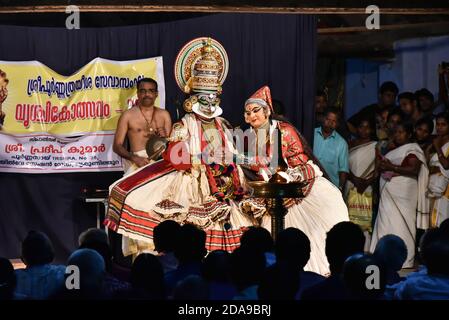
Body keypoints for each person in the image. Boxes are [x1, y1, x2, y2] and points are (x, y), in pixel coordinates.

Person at [104, 38, 253, 259]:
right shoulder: (183, 125)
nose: (210, 104)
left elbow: (230, 150)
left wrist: (241, 161)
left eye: (214, 99)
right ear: (193, 99)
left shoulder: (223, 124)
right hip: (192, 180)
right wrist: (199, 160)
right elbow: (175, 156)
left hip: (224, 182)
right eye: (205, 99)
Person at [238, 86, 349, 275]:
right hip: (272, 186)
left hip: (298, 181)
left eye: (256, 110)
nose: (252, 115)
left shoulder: (284, 130)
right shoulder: (248, 136)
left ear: (267, 111)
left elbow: (290, 161)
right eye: (248, 112)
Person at [370, 122, 429, 268]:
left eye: (401, 132)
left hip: (404, 193)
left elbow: (414, 170)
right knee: (386, 223)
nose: (398, 135)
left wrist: (390, 167)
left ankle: (405, 260)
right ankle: (382, 256)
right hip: (388, 194)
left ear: (409, 134)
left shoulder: (413, 148)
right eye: (396, 132)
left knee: (403, 224)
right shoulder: (391, 150)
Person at [113, 77, 172, 175]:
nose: (147, 94)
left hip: (160, 163)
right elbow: (117, 146)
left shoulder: (164, 115)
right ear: (138, 94)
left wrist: (165, 137)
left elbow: (169, 145)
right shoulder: (127, 115)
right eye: (143, 91)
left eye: (151, 91)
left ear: (156, 94)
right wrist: (134, 158)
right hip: (135, 164)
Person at [346, 118, 377, 251]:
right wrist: (355, 179)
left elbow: (379, 166)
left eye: (367, 127)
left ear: (372, 130)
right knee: (350, 218)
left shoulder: (376, 145)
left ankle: (365, 249)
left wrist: (366, 182)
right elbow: (343, 164)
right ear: (356, 129)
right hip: (351, 184)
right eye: (361, 127)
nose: (364, 130)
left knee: (365, 220)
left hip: (367, 185)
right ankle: (350, 248)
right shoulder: (350, 144)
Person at [313, 107, 349, 189]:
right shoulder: (311, 134)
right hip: (311, 184)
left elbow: (343, 170)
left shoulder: (341, 143)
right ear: (322, 118)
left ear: (338, 124)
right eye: (328, 119)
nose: (330, 123)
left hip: (330, 187)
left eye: (334, 121)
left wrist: (340, 188)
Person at [427, 112, 449, 227]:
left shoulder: (440, 144)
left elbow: (446, 166)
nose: (439, 127)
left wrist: (437, 147)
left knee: (442, 223)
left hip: (446, 192)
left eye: (443, 124)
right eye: (438, 124)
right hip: (432, 189)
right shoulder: (434, 141)